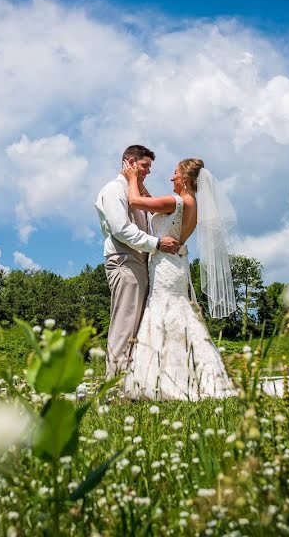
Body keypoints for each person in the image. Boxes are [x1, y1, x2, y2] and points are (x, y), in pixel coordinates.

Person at [121, 157, 238, 400]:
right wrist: (141, 182)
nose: (171, 177)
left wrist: (132, 178)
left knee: (165, 312)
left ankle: (165, 381)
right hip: (176, 265)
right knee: (177, 313)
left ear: (185, 179)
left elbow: (135, 201)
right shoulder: (191, 204)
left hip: (166, 265)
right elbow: (153, 203)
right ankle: (190, 376)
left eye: (174, 173)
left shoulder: (174, 202)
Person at [95, 145, 180, 380]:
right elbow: (121, 229)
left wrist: (139, 183)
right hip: (125, 261)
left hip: (138, 262)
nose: (149, 171)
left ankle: (133, 383)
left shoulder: (135, 192)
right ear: (130, 162)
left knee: (137, 326)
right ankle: (114, 388)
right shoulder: (113, 190)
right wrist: (157, 244)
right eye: (145, 166)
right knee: (124, 325)